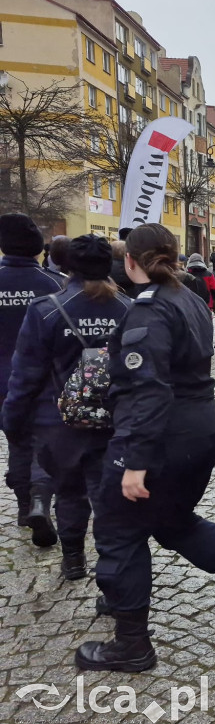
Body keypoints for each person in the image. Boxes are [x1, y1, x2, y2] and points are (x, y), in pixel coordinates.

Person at [75, 223, 215, 672]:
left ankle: (131, 644)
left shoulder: (149, 310)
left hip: (161, 437)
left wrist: (134, 461)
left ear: (129, 261)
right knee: (173, 524)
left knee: (119, 533)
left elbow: (148, 391)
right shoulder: (188, 298)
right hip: (199, 430)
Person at [3, 235, 131, 580]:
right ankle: (113, 571)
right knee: (108, 499)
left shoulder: (47, 309)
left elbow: (25, 375)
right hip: (113, 422)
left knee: (70, 492)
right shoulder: (128, 309)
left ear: (66, 266)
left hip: (58, 422)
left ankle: (73, 558)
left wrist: (13, 421)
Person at [0, 213, 63, 546]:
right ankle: (40, 499)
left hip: (3, 383)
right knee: (43, 440)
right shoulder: (52, 284)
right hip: (44, 381)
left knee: (17, 438)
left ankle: (26, 505)